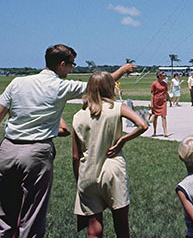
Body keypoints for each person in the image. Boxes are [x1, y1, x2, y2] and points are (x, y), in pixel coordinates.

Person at [0, 44, 135, 238]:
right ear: (62, 64)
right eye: (72, 64)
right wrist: (122, 70)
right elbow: (101, 84)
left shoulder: (17, 82)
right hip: (36, 152)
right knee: (32, 216)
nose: (72, 68)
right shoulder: (61, 86)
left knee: (5, 215)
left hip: (7, 148)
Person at [72, 72, 148, 238]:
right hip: (113, 170)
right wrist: (122, 140)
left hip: (87, 173)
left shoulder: (78, 116)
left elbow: (75, 156)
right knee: (121, 225)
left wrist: (78, 178)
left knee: (94, 229)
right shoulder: (117, 108)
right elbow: (142, 125)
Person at [150, 71, 172, 137]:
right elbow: (152, 94)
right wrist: (151, 104)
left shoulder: (165, 84)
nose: (165, 76)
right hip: (156, 101)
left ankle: (165, 131)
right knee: (155, 117)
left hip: (163, 101)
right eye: (163, 75)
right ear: (159, 76)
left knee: (164, 116)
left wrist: (170, 101)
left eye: (165, 75)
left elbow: (166, 93)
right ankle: (154, 131)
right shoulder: (154, 84)